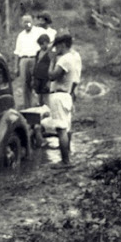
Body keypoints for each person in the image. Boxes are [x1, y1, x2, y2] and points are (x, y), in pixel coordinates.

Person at [46, 33, 81, 168]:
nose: (56, 49)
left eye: (58, 46)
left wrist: (51, 61)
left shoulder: (64, 60)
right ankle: (66, 158)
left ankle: (65, 161)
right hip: (65, 94)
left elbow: (52, 76)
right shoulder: (71, 58)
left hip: (59, 95)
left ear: (63, 45)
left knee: (61, 129)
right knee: (65, 128)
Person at [14, 15, 45, 108]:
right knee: (25, 84)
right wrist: (16, 67)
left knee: (37, 82)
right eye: (25, 22)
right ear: (21, 23)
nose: (27, 24)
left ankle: (39, 105)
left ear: (32, 22)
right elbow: (17, 52)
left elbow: (48, 41)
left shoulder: (39, 31)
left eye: (28, 21)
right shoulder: (21, 35)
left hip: (35, 59)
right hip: (24, 60)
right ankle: (27, 107)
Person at [31, 33, 52, 106]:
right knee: (38, 94)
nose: (41, 46)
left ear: (46, 43)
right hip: (38, 76)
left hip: (45, 77)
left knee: (45, 95)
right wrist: (33, 75)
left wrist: (49, 80)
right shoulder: (38, 52)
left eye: (42, 44)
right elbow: (36, 63)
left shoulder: (50, 53)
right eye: (40, 45)